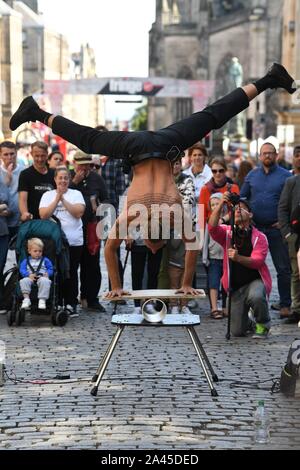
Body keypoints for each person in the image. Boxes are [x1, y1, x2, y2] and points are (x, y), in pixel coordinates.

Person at [9, 63, 297, 296]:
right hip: (141, 146)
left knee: (212, 115)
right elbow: (113, 247)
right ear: (147, 234)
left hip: (166, 143)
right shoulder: (139, 212)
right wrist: (121, 287)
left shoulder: (168, 212)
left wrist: (180, 284)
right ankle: (269, 79)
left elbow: (191, 245)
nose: (150, 245)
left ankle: (268, 79)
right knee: (89, 138)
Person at [240, 142, 292, 318]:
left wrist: (285, 222)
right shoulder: (252, 175)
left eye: (271, 153)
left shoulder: (286, 176)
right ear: (259, 156)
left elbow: (292, 202)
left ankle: (285, 304)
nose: (267, 156)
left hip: (276, 229)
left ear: (276, 155)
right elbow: (242, 197)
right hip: (255, 230)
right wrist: (246, 215)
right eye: (264, 153)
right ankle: (251, 303)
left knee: (283, 268)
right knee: (252, 267)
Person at [208, 195, 272, 338]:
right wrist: (222, 204)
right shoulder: (227, 232)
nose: (238, 210)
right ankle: (249, 323)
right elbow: (212, 227)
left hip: (254, 282)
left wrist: (238, 258)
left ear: (250, 214)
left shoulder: (259, 237)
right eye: (236, 208)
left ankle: (263, 324)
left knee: (256, 296)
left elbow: (257, 261)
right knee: (237, 332)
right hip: (235, 287)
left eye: (242, 208)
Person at [39, 166, 86, 317]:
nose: (63, 180)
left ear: (70, 179)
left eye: (66, 178)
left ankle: (71, 303)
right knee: (56, 272)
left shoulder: (76, 194)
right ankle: (57, 301)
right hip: (54, 242)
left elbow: (78, 213)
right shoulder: (47, 195)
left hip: (74, 242)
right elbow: (44, 215)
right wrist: (56, 199)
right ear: (55, 179)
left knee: (71, 272)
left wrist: (63, 199)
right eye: (60, 178)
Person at [278, 172, 300, 323]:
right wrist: (287, 234)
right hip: (296, 235)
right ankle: (297, 309)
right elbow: (283, 208)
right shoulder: (292, 182)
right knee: (296, 273)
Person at [18, 141, 55, 220]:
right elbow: (22, 199)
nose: (40, 159)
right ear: (31, 154)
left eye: (43, 156)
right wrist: (25, 213)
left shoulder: (54, 173)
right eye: (37, 156)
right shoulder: (25, 174)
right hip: (32, 219)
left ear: (47, 154)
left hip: (52, 219)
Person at [199, 157, 240, 223]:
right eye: (214, 171)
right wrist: (201, 232)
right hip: (211, 228)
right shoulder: (204, 189)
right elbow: (201, 215)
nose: (217, 173)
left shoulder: (234, 188)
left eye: (221, 171)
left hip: (229, 228)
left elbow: (237, 209)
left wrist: (223, 219)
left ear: (225, 170)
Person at [19, 238, 53, 310]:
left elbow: (51, 268)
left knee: (45, 281)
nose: (38, 253)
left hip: (42, 277)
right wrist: (28, 275)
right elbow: (22, 269)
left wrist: (48, 273)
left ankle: (42, 300)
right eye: (35, 251)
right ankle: (26, 299)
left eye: (40, 251)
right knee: (23, 281)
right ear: (29, 251)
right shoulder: (26, 261)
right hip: (30, 277)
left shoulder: (45, 260)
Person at [0, 141, 22, 239]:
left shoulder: (24, 171)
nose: (9, 157)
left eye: (12, 154)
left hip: (20, 222)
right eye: (6, 154)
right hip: (2, 223)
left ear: (16, 153)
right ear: (1, 155)